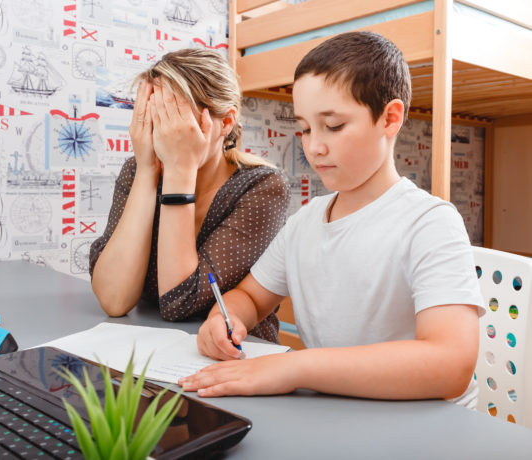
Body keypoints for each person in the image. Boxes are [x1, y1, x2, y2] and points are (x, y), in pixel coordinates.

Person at [181, 32, 484, 407]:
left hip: (430, 425)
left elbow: (451, 364)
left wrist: (295, 367)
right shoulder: (304, 223)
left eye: (334, 126)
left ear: (390, 118)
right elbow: (249, 297)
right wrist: (222, 320)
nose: (313, 147)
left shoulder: (430, 223)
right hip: (341, 412)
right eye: (305, 129)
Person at [89, 48, 290, 342]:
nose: (163, 135)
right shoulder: (139, 169)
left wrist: (180, 170)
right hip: (153, 347)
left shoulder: (263, 187)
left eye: (175, 120)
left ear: (226, 123)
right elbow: (114, 299)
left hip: (237, 354)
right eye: (155, 118)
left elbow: (179, 302)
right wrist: (146, 171)